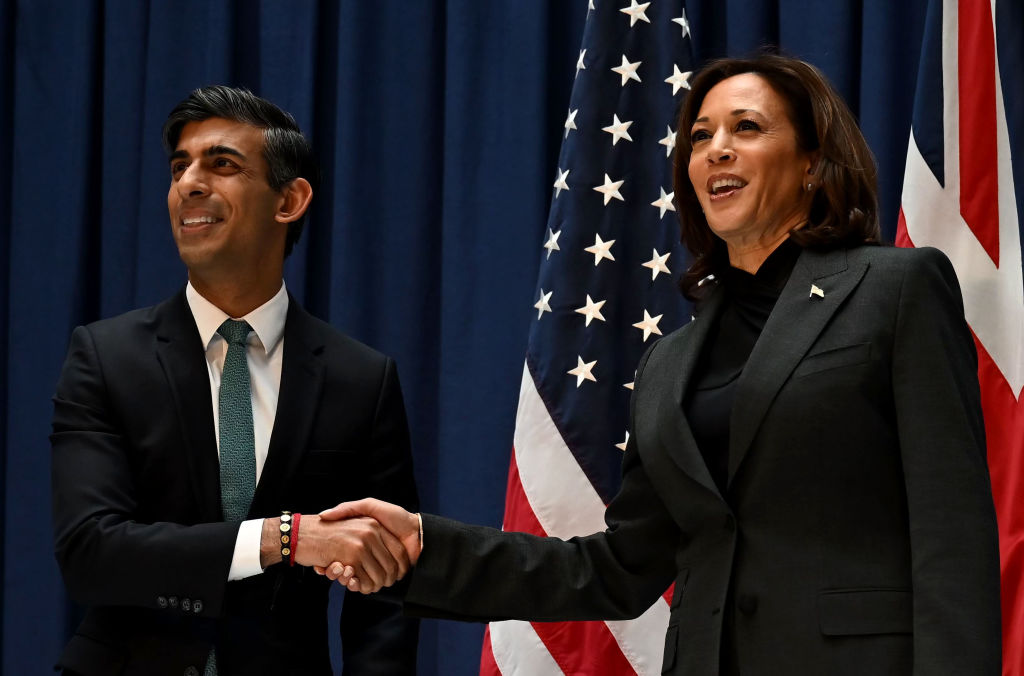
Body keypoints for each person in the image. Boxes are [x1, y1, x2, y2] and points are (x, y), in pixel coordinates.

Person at [316, 55, 1002, 675]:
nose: (716, 149)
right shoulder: (670, 364)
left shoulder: (895, 289)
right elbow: (615, 569)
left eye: (747, 127)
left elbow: (952, 540)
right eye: (700, 136)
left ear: (813, 163)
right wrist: (425, 548)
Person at [51, 86, 419, 676]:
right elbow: (91, 553)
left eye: (221, 164)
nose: (188, 184)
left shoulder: (362, 378)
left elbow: (386, 592)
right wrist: (286, 538)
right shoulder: (104, 356)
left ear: (290, 200)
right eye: (180, 167)